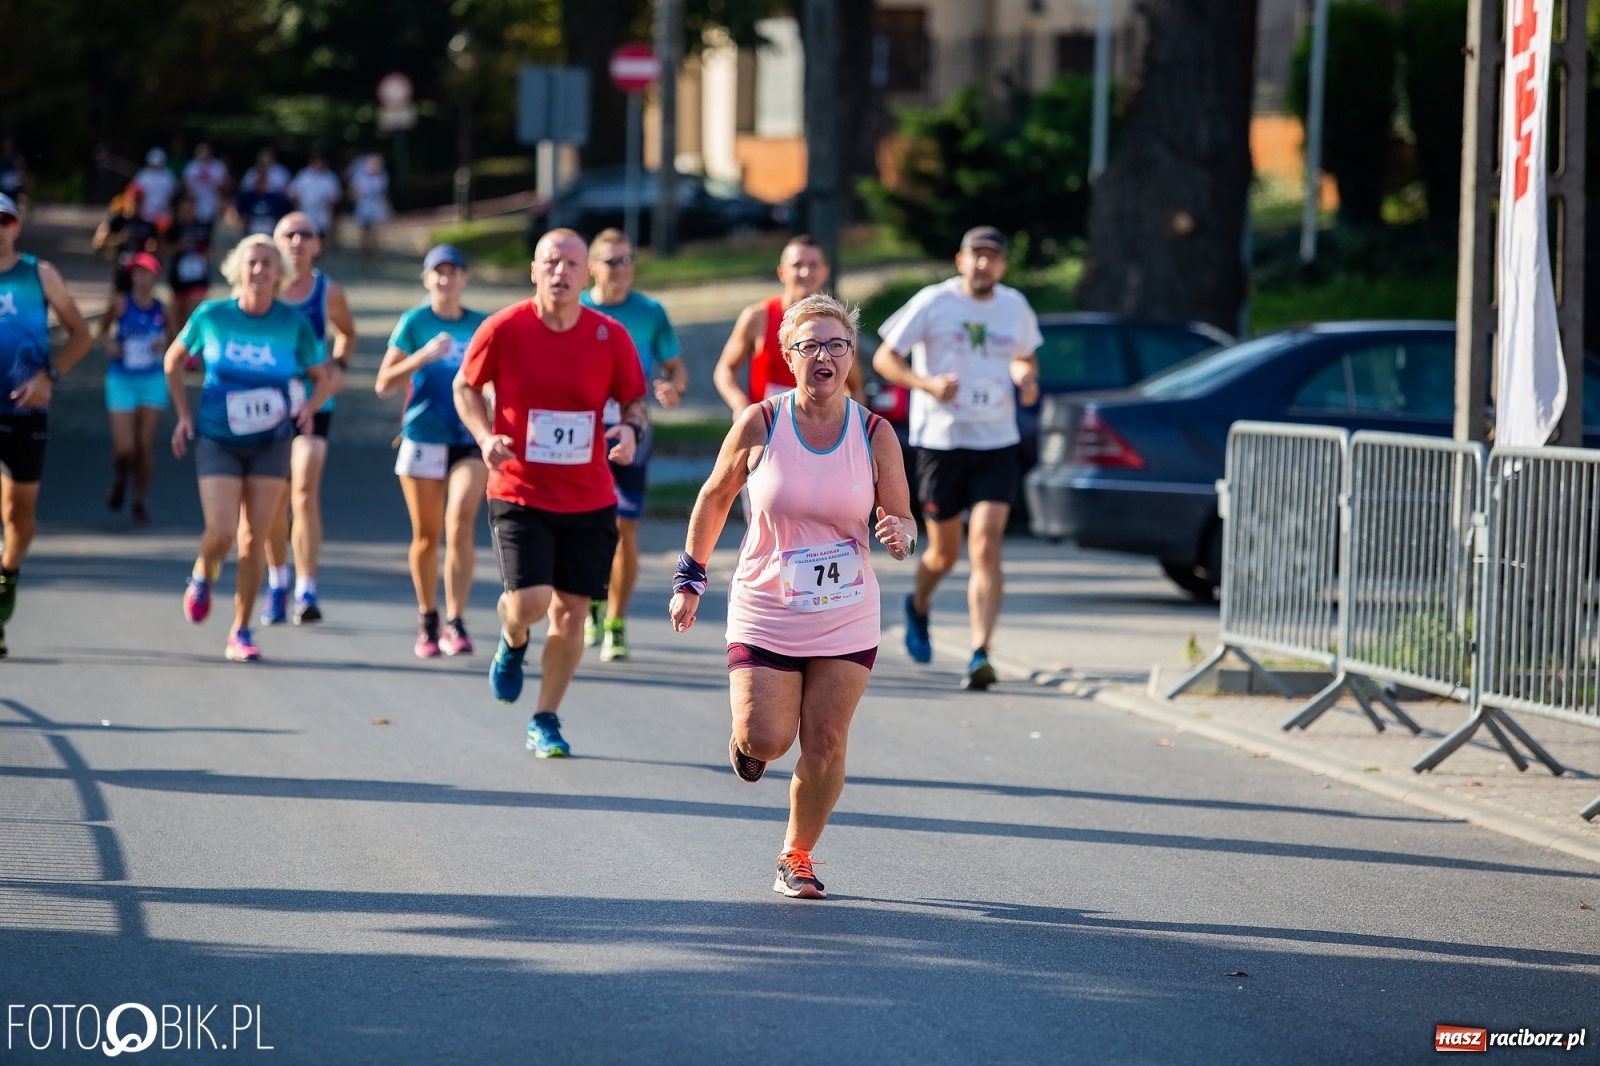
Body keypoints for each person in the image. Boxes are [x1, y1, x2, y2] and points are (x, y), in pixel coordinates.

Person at [669, 293, 915, 899]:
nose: (823, 356)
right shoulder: (761, 422)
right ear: (788, 356)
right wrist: (690, 577)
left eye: (837, 345)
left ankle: (796, 856)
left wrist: (900, 536)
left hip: (846, 611)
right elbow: (715, 497)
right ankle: (747, 741)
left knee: (827, 740)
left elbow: (904, 518)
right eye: (810, 346)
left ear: (851, 357)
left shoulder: (876, 432)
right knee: (767, 740)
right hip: (768, 606)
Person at [452, 228, 647, 758]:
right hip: (519, 488)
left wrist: (631, 430)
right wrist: (484, 436)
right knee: (531, 602)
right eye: (551, 262)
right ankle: (513, 636)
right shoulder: (504, 328)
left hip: (589, 495)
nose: (561, 272)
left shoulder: (610, 335)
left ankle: (545, 718)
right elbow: (466, 385)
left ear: (588, 276)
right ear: (534, 271)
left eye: (571, 264)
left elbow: (635, 402)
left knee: (571, 612)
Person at [871, 226, 1041, 690]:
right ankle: (918, 605)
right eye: (976, 255)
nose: (984, 264)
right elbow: (885, 358)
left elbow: (1025, 357)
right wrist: (927, 385)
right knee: (944, 554)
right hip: (941, 443)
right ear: (960, 260)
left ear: (1003, 265)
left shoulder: (1014, 306)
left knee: (985, 545)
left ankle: (980, 652)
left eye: (993, 256)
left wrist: (1025, 378)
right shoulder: (934, 302)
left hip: (997, 441)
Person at [163, 235, 331, 662]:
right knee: (221, 531)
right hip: (218, 438)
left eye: (267, 264)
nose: (259, 270)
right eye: (252, 262)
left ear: (279, 274)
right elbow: (173, 360)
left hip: (270, 441)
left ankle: (240, 629)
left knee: (253, 538)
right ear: (238, 268)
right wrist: (182, 415)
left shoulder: (293, 323)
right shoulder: (211, 315)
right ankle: (203, 570)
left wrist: (309, 408)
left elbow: (322, 376)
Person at [578, 227, 688, 662]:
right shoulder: (574, 307)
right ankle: (591, 597)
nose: (622, 269)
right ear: (592, 268)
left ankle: (615, 622)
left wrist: (673, 388)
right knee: (583, 525)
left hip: (632, 423)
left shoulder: (649, 312)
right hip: (579, 428)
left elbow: (676, 368)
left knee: (625, 528)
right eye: (612, 261)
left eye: (627, 260)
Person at [375, 245, 488, 658]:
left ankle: (455, 621)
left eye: (453, 271)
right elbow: (384, 384)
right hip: (423, 437)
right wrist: (421, 357)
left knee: (459, 523)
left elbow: (498, 375)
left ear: (464, 279)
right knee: (426, 537)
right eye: (437, 272)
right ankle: (428, 618)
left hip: (469, 438)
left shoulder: (481, 325)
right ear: (426, 279)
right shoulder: (414, 322)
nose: (445, 279)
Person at [0, 193, 93, 660]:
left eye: (4, 220)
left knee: (19, 517)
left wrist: (49, 376)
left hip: (25, 411)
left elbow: (82, 333)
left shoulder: (40, 274)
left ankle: (7, 574)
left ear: (16, 227)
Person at [255, 211, 354, 626]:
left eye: (305, 234)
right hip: (268, 405)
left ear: (317, 244)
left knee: (303, 490)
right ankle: (278, 579)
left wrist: (337, 367)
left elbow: (347, 332)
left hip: (314, 404)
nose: (297, 241)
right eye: (289, 234)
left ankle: (306, 588)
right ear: (276, 242)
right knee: (274, 498)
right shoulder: (263, 288)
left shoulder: (328, 291)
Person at [712, 234, 862, 416]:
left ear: (825, 272)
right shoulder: (758, 317)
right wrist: (739, 405)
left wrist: (850, 422)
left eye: (813, 265)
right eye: (797, 265)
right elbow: (725, 370)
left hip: (816, 428)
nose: (805, 272)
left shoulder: (835, 326)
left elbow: (856, 386)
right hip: (767, 426)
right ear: (782, 272)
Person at [98, 251, 171, 526]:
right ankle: (120, 479)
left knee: (144, 447)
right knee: (125, 449)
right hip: (121, 379)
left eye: (146, 272)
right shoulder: (120, 303)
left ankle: (139, 500)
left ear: (155, 276)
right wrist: (110, 346)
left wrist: (164, 344)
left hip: (152, 380)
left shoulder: (163, 309)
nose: (141, 277)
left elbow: (177, 339)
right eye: (136, 272)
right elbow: (101, 331)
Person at [92, 185, 157, 296]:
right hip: (122, 270)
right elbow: (98, 243)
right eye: (134, 200)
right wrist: (118, 240)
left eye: (139, 201)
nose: (136, 204)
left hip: (140, 273)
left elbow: (159, 248)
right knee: (119, 301)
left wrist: (151, 250)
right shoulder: (117, 221)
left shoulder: (148, 225)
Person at [165, 196, 213, 332]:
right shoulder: (174, 228)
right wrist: (179, 247)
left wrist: (204, 252)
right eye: (184, 209)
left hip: (198, 279)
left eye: (190, 209)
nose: (188, 212)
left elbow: (210, 252)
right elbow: (165, 251)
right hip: (178, 280)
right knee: (177, 320)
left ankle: (192, 343)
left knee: (192, 315)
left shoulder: (203, 228)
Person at [287, 154, 342, 243]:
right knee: (305, 233)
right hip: (306, 210)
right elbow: (291, 192)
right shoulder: (303, 175)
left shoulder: (329, 177)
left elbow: (336, 196)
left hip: (322, 211)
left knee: (321, 234)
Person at [348, 154, 390, 269]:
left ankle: (375, 254)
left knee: (375, 232)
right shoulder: (360, 176)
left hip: (376, 207)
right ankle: (364, 255)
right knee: (364, 231)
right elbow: (353, 191)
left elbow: (384, 192)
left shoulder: (382, 176)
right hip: (364, 207)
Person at [232, 168, 293, 238]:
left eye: (263, 182)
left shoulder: (275, 199)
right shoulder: (246, 198)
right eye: (259, 181)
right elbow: (237, 212)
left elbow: (285, 213)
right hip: (250, 233)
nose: (261, 185)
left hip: (270, 233)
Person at [181, 143, 229, 229]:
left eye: (205, 151)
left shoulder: (218, 165)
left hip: (214, 201)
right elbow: (186, 184)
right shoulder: (191, 166)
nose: (203, 154)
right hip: (196, 203)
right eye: (201, 152)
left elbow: (225, 184)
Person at [132, 149, 177, 229]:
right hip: (145, 215)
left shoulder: (169, 176)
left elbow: (172, 196)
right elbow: (135, 193)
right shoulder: (143, 175)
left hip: (163, 216)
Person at [0, 138, 28, 214]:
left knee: (14, 206)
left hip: (14, 188)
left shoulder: (16, 158)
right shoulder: (2, 157)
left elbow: (22, 170)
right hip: (3, 188)